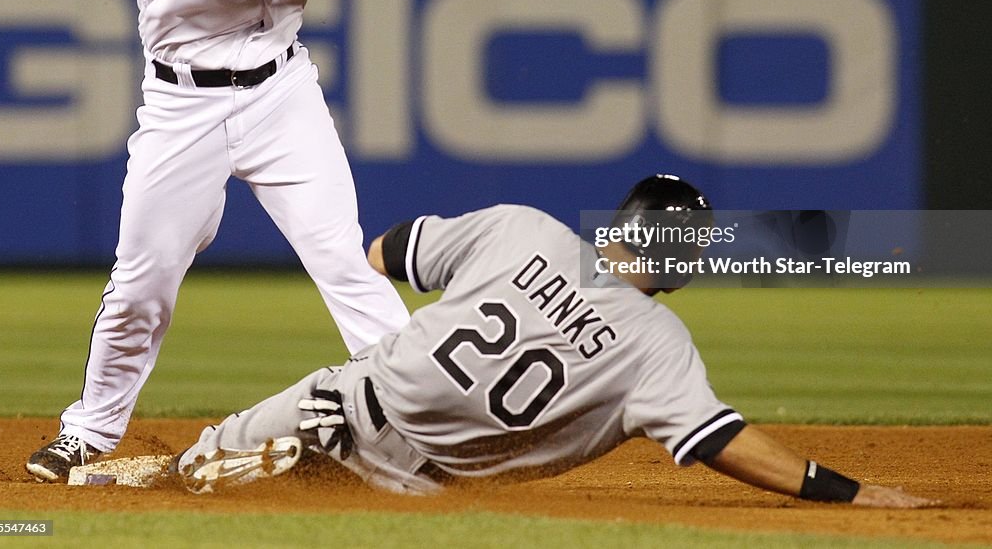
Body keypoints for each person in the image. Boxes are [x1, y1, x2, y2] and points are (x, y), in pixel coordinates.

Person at [26, 0, 446, 482]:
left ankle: (428, 421)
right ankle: (87, 429)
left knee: (346, 260)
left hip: (282, 91)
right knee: (141, 285)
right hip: (184, 106)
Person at [174, 175, 934, 508]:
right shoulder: (657, 343)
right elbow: (718, 440)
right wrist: (853, 491)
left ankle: (196, 468)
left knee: (187, 478)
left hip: (345, 399)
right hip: (415, 487)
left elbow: (385, 252)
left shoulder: (526, 228)